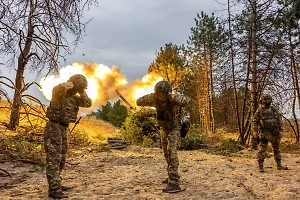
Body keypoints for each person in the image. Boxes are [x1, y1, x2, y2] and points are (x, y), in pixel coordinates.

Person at [136, 80, 190, 193]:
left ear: (168, 93)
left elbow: (187, 101)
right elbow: (138, 101)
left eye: (163, 93)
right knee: (166, 153)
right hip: (164, 128)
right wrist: (151, 96)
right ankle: (171, 174)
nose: (161, 96)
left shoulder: (173, 100)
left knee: (171, 150)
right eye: (158, 93)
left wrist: (172, 96)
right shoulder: (154, 99)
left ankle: (174, 182)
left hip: (175, 127)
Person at [44, 74, 92, 198]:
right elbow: (57, 88)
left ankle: (57, 184)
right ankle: (54, 190)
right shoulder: (59, 93)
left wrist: (82, 91)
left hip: (64, 128)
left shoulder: (75, 98)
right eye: (77, 87)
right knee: (53, 158)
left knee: (62, 158)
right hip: (53, 126)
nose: (77, 90)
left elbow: (88, 103)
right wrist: (70, 83)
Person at [252, 94, 288, 172]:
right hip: (264, 133)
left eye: (268, 99)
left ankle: (279, 165)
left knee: (276, 149)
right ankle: (260, 166)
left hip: (275, 133)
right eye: (265, 99)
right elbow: (255, 121)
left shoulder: (274, 110)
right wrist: (254, 131)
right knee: (262, 150)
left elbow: (279, 120)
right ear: (262, 101)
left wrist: (281, 130)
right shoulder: (259, 111)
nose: (267, 101)